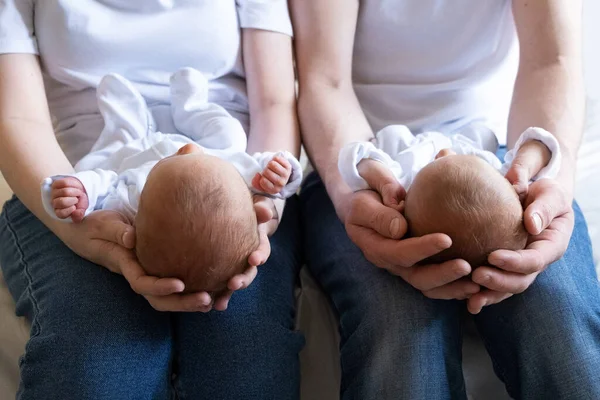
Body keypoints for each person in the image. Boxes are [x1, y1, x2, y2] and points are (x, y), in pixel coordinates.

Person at [292, 0, 600, 399]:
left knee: (558, 321)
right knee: (396, 326)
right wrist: (355, 188)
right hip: (363, 161)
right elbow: (324, 80)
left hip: (499, 159)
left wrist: (548, 174)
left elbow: (552, 60)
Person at [0, 1, 304, 399]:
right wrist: (76, 225)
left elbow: (275, 102)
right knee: (98, 368)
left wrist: (260, 208)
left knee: (246, 363)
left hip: (230, 181)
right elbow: (18, 118)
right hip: (85, 185)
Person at [42, 69, 301, 293]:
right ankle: (192, 108)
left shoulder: (131, 202)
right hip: (213, 145)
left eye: (178, 158)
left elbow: (103, 183)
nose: (188, 148)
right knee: (231, 133)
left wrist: (80, 193)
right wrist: (280, 174)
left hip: (135, 150)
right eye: (193, 155)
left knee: (111, 149)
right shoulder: (234, 183)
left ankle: (127, 119)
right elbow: (269, 183)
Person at [339, 124, 559, 267]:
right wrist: (524, 167)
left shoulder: (404, 183)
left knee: (392, 134)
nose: (445, 151)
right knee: (485, 133)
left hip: (402, 141)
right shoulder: (500, 174)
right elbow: (542, 143)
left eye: (437, 163)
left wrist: (380, 177)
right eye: (456, 158)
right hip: (472, 132)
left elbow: (356, 156)